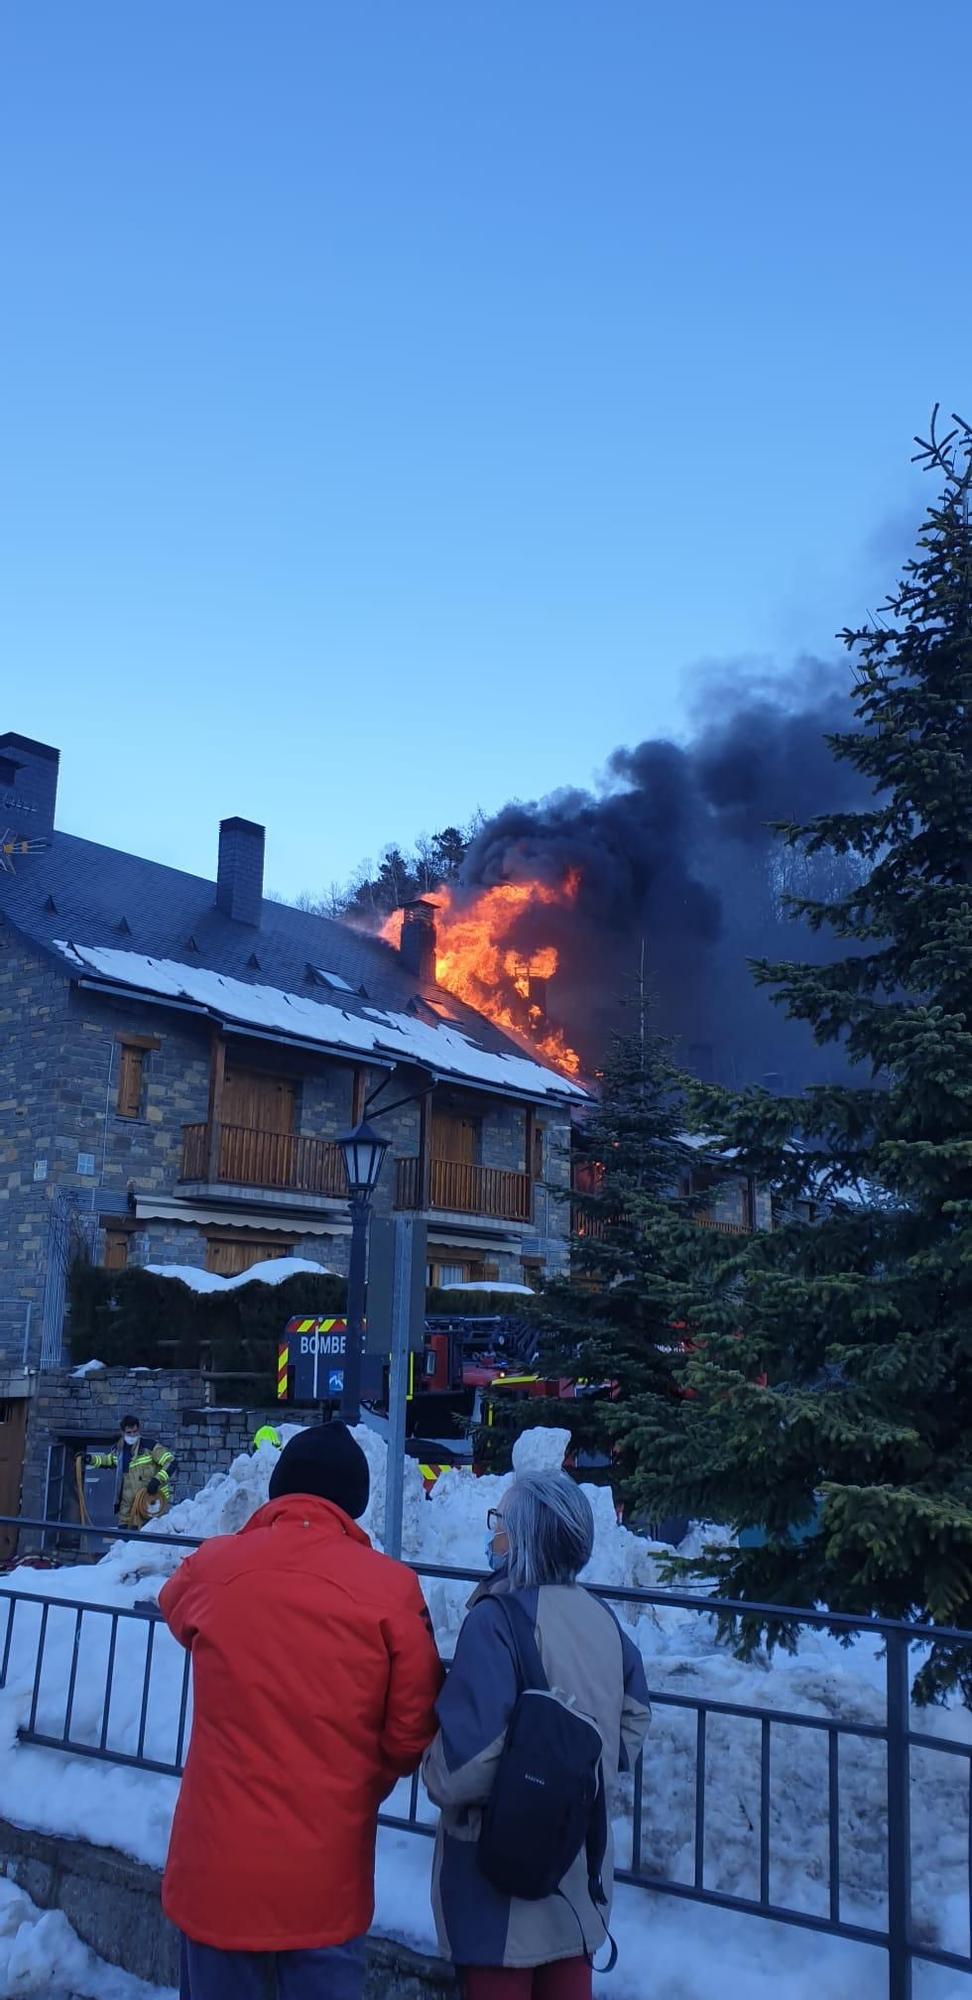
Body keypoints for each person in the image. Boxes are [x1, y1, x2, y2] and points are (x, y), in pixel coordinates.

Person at [159, 1420, 443, 2000]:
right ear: (355, 1503)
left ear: (279, 1488)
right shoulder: (393, 1590)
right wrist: (364, 1782)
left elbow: (175, 1610)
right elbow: (412, 1731)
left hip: (215, 1869)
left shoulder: (213, 1566)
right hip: (325, 1871)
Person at [423, 1473, 652, 2000]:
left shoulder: (496, 1621)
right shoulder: (603, 1619)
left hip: (499, 1886)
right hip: (577, 1874)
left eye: (500, 1523)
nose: (494, 1535)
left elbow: (461, 1770)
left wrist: (430, 1765)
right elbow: (634, 1721)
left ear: (523, 1537)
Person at [86, 1414, 177, 1527]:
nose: (133, 1435)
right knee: (125, 1542)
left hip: (152, 1505)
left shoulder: (150, 1447)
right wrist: (90, 1459)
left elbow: (171, 1462)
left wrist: (157, 1480)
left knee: (151, 1541)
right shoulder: (119, 1451)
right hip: (127, 1509)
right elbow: (108, 1460)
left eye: (135, 1431)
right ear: (123, 1432)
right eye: (129, 1432)